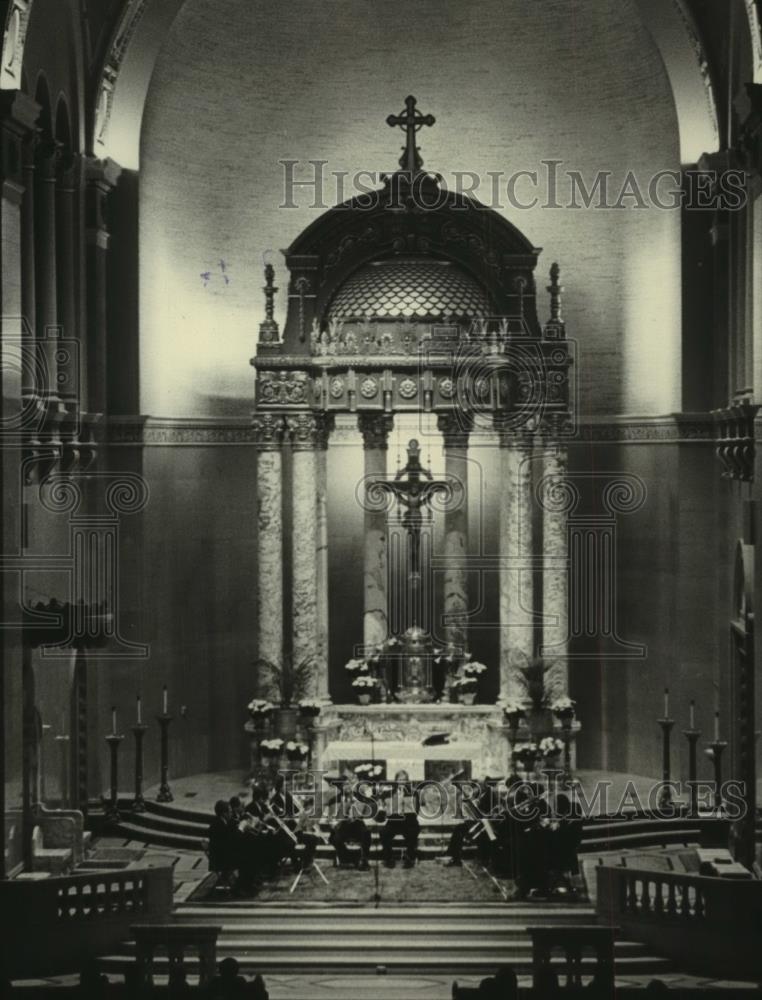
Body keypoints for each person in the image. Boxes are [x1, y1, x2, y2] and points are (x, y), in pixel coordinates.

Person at [378, 769, 420, 868]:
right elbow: (381, 806)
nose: (402, 782)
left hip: (409, 821)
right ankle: (389, 859)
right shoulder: (388, 793)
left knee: (413, 831)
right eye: (400, 779)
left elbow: (416, 810)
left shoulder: (413, 793)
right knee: (384, 833)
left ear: (407, 781)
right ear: (396, 780)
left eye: (404, 780)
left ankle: (409, 858)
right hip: (394, 821)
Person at [328, 778, 371, 870]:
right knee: (334, 838)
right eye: (345, 784)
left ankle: (364, 860)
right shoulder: (334, 800)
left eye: (351, 784)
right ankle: (351, 858)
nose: (348, 786)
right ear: (341, 786)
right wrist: (333, 822)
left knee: (367, 834)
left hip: (356, 826)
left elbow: (364, 815)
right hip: (342, 827)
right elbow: (331, 818)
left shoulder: (360, 798)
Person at [208, 800, 236, 885]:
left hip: (223, 854)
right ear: (224, 813)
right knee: (246, 856)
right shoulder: (217, 825)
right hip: (219, 859)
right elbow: (226, 843)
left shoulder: (223, 821)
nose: (232, 814)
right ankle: (242, 883)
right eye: (230, 812)